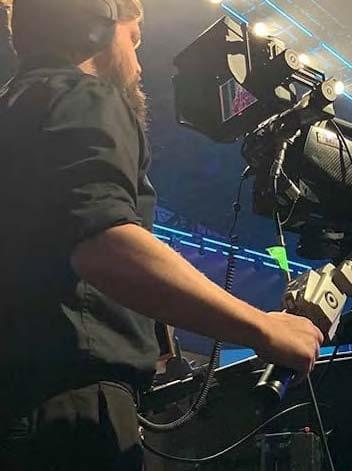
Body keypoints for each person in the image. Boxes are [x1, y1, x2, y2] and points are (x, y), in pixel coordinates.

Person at [0, 1, 324, 469]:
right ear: (95, 24)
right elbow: (105, 245)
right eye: (133, 39)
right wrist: (265, 328)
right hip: (66, 417)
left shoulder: (16, 106)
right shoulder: (83, 95)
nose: (137, 62)